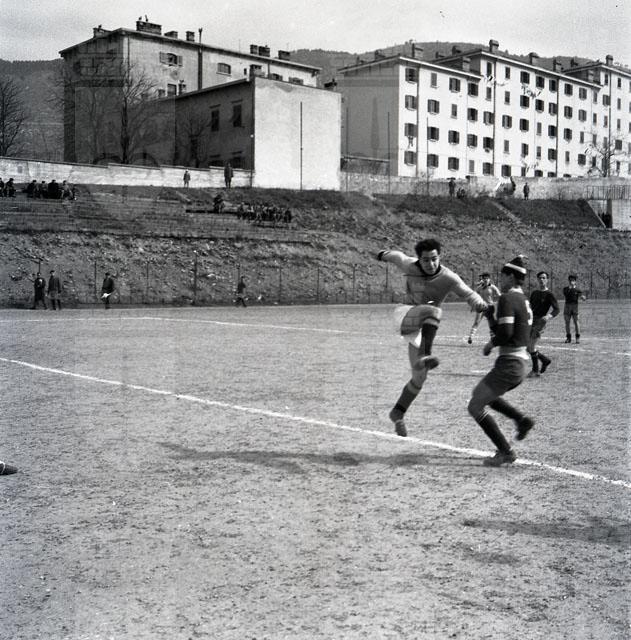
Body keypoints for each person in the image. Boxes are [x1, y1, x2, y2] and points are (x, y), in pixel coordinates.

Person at [377, 238, 487, 437]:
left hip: (423, 326)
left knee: (419, 377)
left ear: (440, 257)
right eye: (426, 260)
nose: (431, 263)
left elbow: (469, 293)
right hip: (406, 315)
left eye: (434, 259)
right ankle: (426, 354)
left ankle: (398, 413)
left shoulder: (448, 277)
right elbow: (396, 256)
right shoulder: (409, 265)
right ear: (419, 259)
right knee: (434, 311)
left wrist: (479, 302)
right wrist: (380, 254)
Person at [467, 255, 535, 467]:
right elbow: (506, 329)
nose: (500, 280)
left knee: (475, 405)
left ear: (511, 276)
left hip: (510, 364)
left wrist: (490, 344)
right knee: (484, 396)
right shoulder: (523, 299)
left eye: (503, 276)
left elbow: (505, 334)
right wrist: (490, 317)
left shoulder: (507, 298)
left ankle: (506, 451)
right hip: (519, 363)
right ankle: (521, 420)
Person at [528, 270, 560, 377]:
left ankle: (535, 370)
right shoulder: (534, 293)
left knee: (531, 346)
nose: (542, 280)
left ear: (547, 280)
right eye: (540, 278)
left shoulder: (549, 294)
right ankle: (544, 360)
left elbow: (557, 309)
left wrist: (548, 316)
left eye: (544, 278)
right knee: (528, 347)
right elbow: (530, 307)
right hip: (531, 320)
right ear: (537, 279)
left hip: (540, 322)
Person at [467, 273, 501, 344]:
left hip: (490, 307)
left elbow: (499, 295)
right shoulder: (479, 287)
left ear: (489, 279)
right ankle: (470, 337)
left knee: (491, 323)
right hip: (481, 306)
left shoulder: (493, 287)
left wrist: (502, 301)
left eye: (487, 278)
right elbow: (474, 296)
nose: (485, 280)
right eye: (484, 278)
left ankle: (492, 338)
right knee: (477, 322)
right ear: (482, 279)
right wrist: (473, 306)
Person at [562, 275, 587, 343]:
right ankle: (568, 338)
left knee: (576, 322)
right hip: (567, 306)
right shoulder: (565, 289)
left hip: (575, 307)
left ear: (575, 281)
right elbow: (566, 294)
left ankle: (577, 337)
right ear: (568, 281)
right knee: (567, 322)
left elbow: (582, 297)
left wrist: (583, 298)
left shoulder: (578, 290)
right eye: (570, 280)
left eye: (573, 280)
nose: (571, 282)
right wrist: (570, 288)